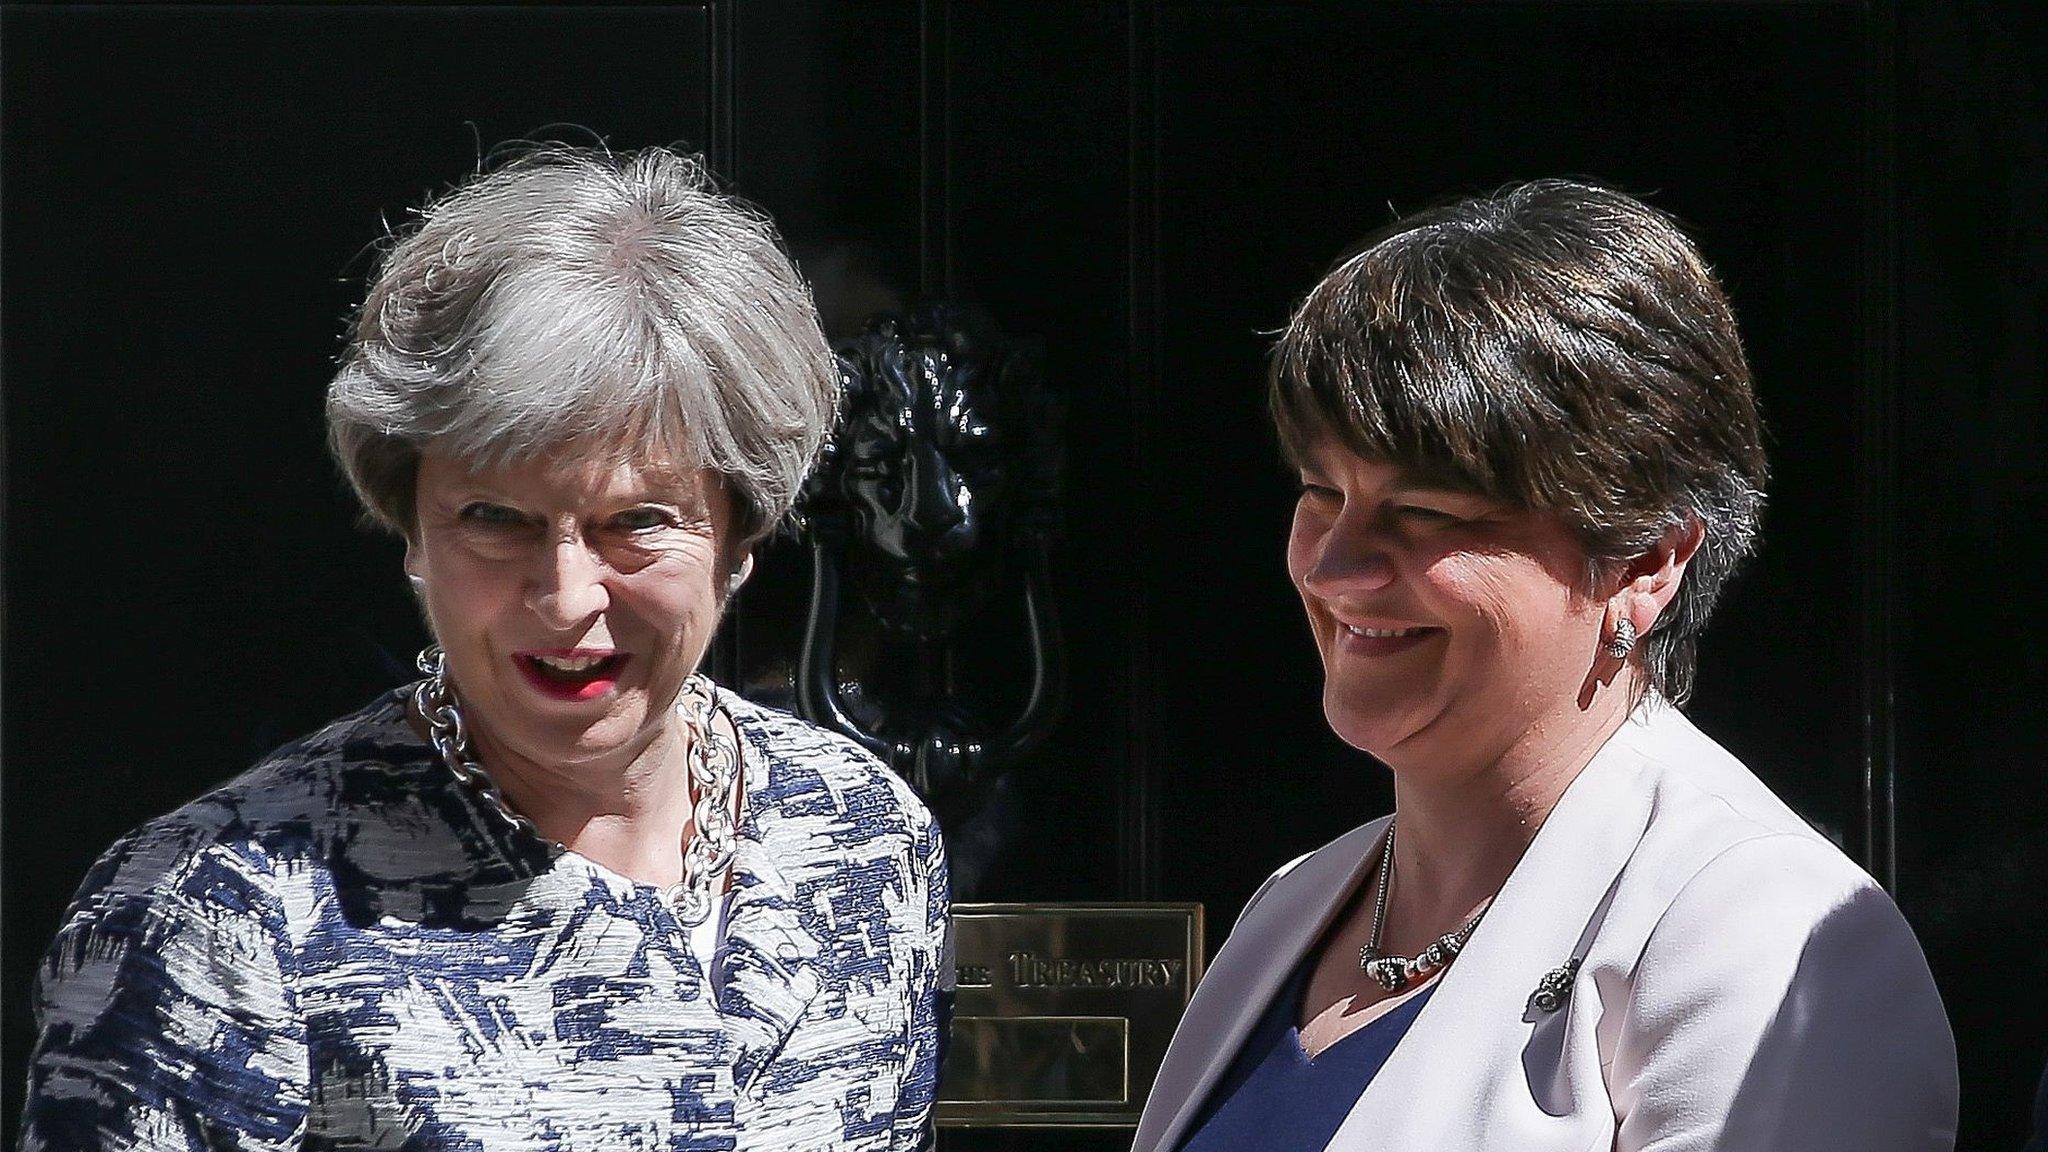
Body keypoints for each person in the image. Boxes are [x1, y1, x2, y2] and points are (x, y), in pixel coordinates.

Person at [21, 146, 949, 1150]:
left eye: (636, 520)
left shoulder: (864, 841)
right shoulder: (214, 913)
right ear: (411, 529)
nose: (563, 599)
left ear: (739, 534)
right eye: (496, 519)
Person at [1132, 180, 1957, 1151]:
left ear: (1646, 560)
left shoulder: (1766, 936)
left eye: (1425, 513)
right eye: (1321, 493)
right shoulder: (1292, 905)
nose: (1332, 567)